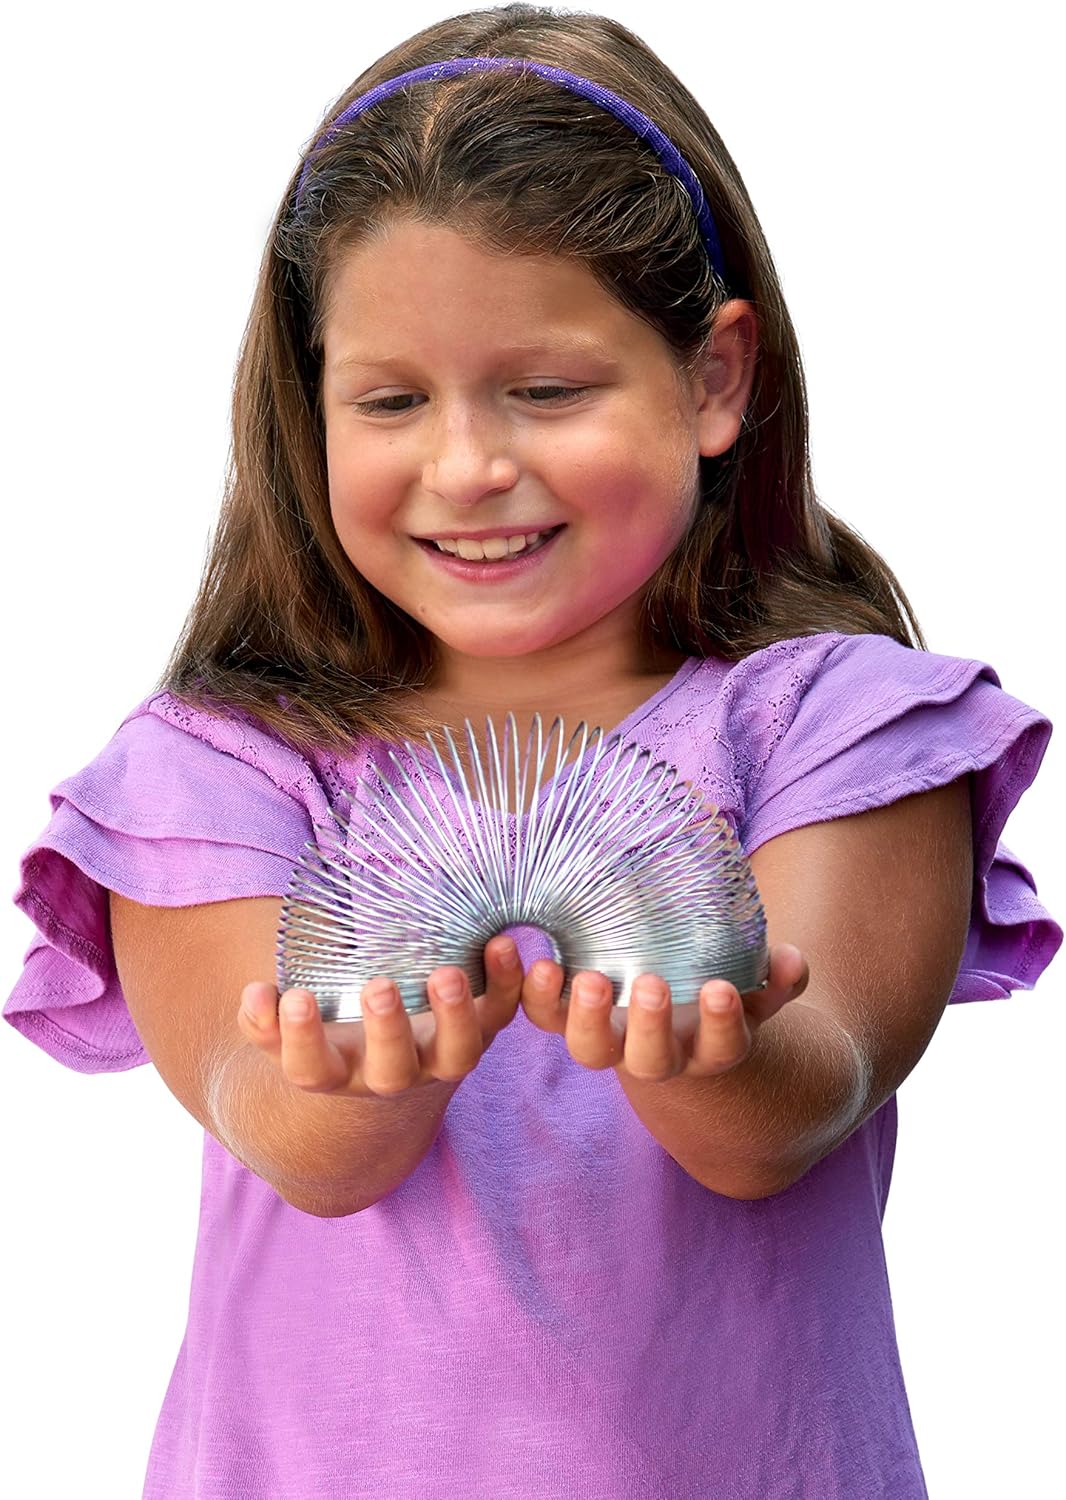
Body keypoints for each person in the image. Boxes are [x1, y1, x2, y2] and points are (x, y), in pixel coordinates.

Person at [3, 4, 1060, 1496]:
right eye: (389, 400)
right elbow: (293, 1143)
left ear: (712, 378)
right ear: (306, 411)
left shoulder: (838, 728)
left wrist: (720, 1051)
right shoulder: (226, 766)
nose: (467, 465)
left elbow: (790, 1116)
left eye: (546, 390)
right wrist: (354, 1081)